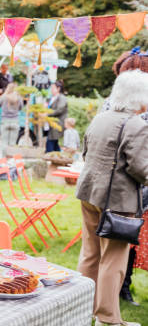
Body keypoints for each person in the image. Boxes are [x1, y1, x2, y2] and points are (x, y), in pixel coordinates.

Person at [76, 70, 148, 326]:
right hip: (117, 201)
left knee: (90, 254)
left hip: (89, 194)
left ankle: (81, 309)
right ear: (140, 97)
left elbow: (85, 152)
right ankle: (108, 317)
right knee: (114, 261)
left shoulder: (101, 118)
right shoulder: (137, 125)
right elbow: (141, 169)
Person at [102, 46, 148, 306]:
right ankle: (118, 291)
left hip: (125, 185)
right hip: (127, 186)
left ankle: (121, 288)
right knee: (124, 239)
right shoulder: (120, 106)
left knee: (131, 239)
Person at [0, 83, 22, 151]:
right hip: (15, 121)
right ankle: (10, 160)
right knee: (12, 144)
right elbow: (21, 108)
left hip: (5, 121)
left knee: (4, 144)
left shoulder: (4, 97)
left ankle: (4, 160)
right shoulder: (18, 98)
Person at [44, 80, 67, 153]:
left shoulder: (62, 98)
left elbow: (59, 110)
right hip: (50, 124)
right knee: (54, 144)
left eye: (53, 88)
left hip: (57, 123)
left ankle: (50, 156)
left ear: (58, 88)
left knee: (51, 142)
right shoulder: (51, 98)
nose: (51, 90)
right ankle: (58, 157)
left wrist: (47, 114)